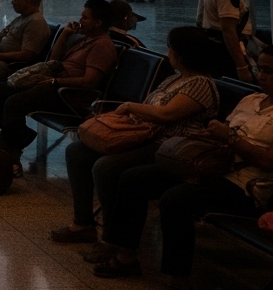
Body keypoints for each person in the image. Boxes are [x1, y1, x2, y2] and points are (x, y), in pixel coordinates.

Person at [95, 44, 273, 282]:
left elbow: (270, 161)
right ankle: (125, 256)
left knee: (176, 199)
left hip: (245, 185)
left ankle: (176, 275)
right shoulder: (253, 99)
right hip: (212, 165)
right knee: (133, 178)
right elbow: (225, 132)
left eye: (268, 71)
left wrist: (230, 138)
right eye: (258, 68)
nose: (260, 76)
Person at [50, 27, 219, 249]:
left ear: (179, 53)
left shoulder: (200, 83)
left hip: (170, 146)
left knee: (106, 167)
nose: (168, 52)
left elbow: (166, 114)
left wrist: (130, 106)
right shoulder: (174, 80)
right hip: (145, 135)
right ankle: (83, 223)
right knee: (77, 152)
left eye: (170, 48)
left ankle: (113, 238)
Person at [0, 0, 119, 167]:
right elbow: (53, 61)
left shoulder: (102, 47)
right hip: (54, 85)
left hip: (67, 95)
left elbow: (89, 81)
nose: (80, 21)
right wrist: (65, 35)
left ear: (98, 22)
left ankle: (10, 154)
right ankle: (17, 136)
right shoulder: (85, 40)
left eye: (85, 18)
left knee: (14, 103)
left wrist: (56, 81)